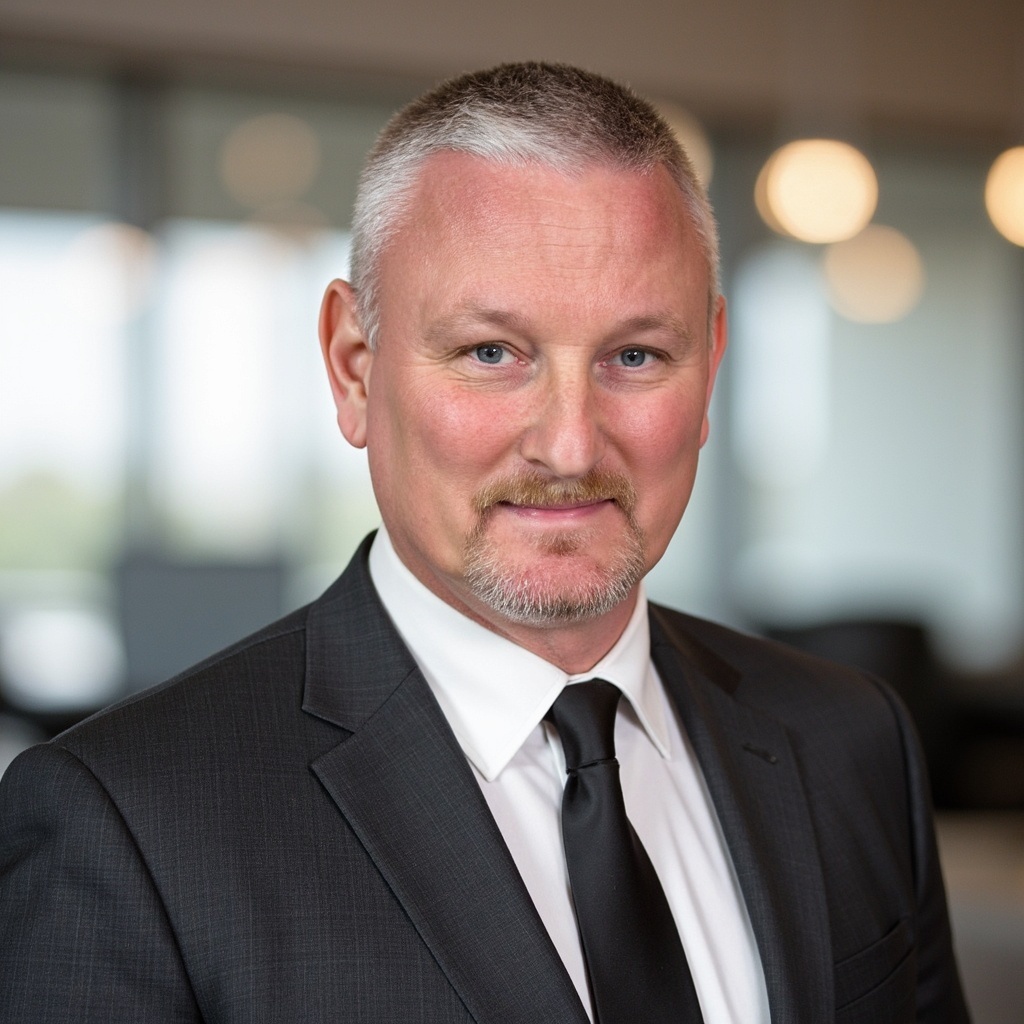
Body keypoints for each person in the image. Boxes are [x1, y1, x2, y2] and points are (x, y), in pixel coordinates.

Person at [0, 62, 968, 1023]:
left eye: (635, 356)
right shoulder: (126, 822)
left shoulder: (849, 741)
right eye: (490, 353)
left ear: (710, 364)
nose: (570, 444)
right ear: (352, 366)